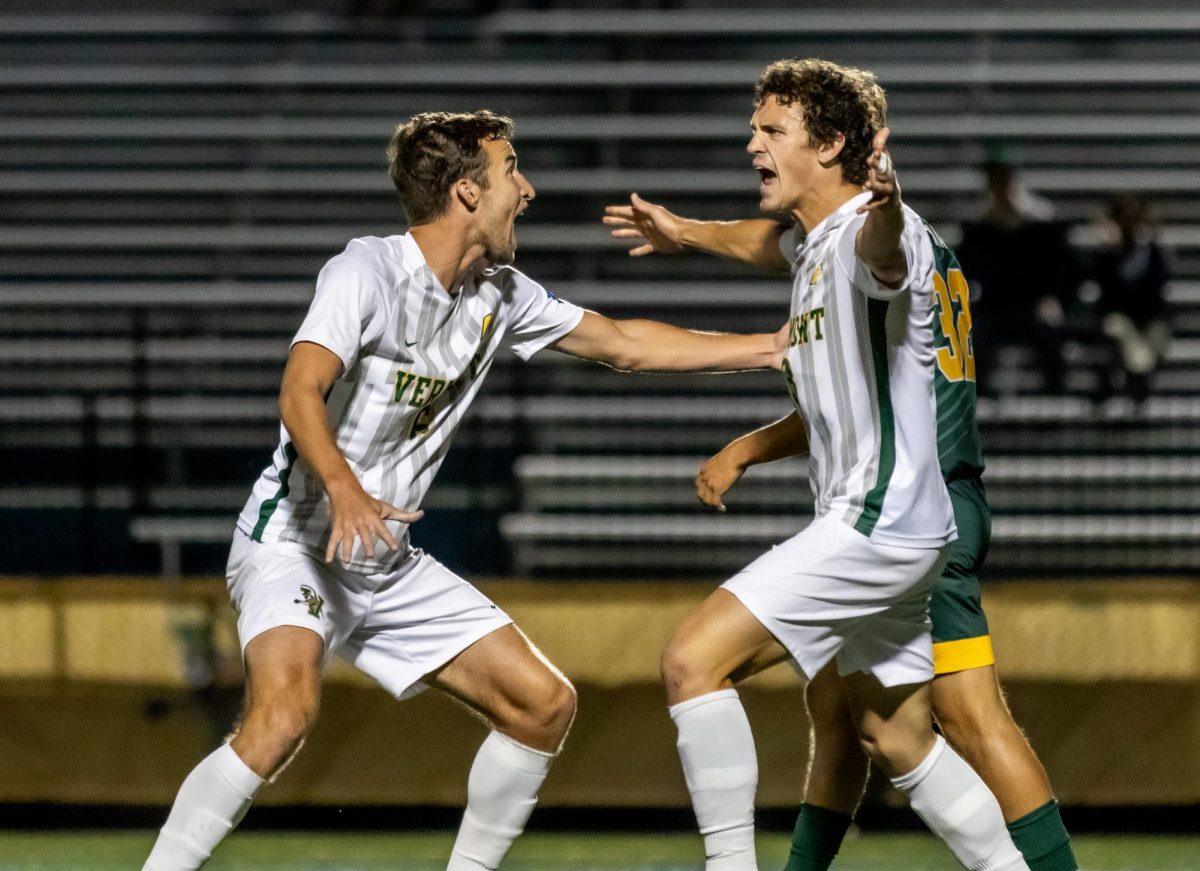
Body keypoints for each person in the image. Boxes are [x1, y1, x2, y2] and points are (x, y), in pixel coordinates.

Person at [141, 109, 785, 871]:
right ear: (466, 193)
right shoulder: (365, 270)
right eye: (512, 169)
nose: (529, 188)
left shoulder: (497, 293)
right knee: (283, 717)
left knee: (542, 704)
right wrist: (344, 491)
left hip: (383, 555)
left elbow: (622, 343)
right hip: (296, 543)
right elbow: (299, 391)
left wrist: (771, 347)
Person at [604, 58, 1031, 871]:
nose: (751, 142)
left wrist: (888, 202)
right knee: (891, 730)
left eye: (772, 130)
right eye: (754, 127)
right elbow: (772, 246)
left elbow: (886, 249)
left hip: (878, 522)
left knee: (694, 660)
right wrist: (685, 232)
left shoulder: (873, 234)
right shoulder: (812, 249)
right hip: (905, 528)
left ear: (833, 143)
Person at [956, 158, 1077, 396]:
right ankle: (978, 401)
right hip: (996, 306)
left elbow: (1061, 268)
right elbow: (966, 268)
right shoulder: (981, 225)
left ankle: (1055, 397)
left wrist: (1053, 298)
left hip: (1034, 306)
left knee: (1052, 338)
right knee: (973, 338)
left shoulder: (1040, 220)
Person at [1090, 193, 1171, 403]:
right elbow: (1102, 292)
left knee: (1151, 340)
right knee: (1115, 327)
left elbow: (1158, 289)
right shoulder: (1108, 255)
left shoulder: (1153, 252)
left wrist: (1149, 245)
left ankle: (1136, 379)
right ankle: (1126, 379)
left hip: (1148, 321)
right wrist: (1109, 252)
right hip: (1121, 321)